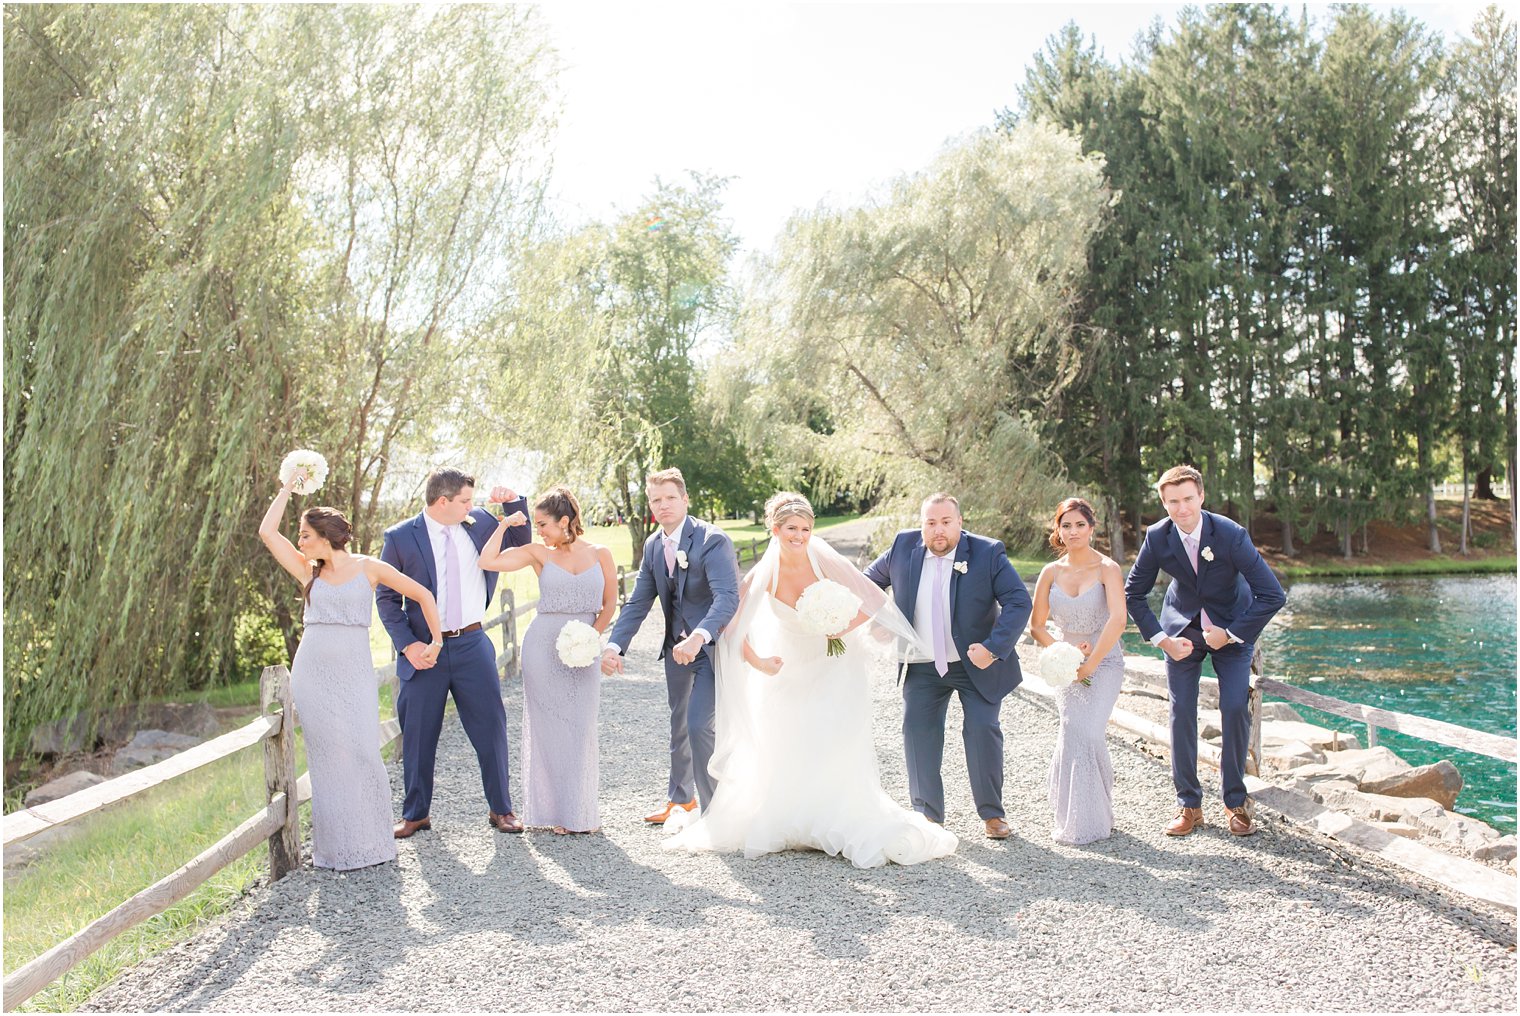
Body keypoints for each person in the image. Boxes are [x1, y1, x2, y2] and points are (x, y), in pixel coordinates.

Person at [664, 492, 957, 868]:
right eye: (791, 528)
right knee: (788, 739)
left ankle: (834, 816)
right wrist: (758, 662)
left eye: (805, 528)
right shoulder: (763, 572)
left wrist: (838, 627)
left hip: (834, 667)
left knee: (830, 737)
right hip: (786, 668)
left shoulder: (822, 558)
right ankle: (795, 819)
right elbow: (732, 626)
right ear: (775, 529)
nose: (799, 536)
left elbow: (873, 599)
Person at [258, 468, 443, 869]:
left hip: (354, 673)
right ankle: (334, 849)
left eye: (305, 535)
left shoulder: (369, 567)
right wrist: (288, 488)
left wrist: (436, 641)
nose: (301, 541)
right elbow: (268, 533)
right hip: (311, 674)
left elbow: (423, 594)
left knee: (361, 751)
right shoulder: (309, 571)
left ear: (325, 536)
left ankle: (373, 844)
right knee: (326, 758)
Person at [1123, 465, 1285, 837]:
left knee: (1232, 706)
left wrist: (1229, 634)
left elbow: (1273, 595)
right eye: (1172, 502)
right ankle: (1189, 804)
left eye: (1188, 499)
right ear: (1163, 503)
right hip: (1181, 628)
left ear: (1201, 496)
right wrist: (1162, 639)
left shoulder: (1230, 535)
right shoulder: (1158, 537)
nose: (1181, 509)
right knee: (1181, 710)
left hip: (1232, 625)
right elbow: (1134, 593)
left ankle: (1234, 802)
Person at [863, 494, 1033, 839]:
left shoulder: (987, 552)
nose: (938, 530)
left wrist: (993, 648)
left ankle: (992, 815)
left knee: (982, 730)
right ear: (921, 523)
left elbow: (1018, 601)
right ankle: (927, 816)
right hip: (923, 663)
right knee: (917, 731)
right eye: (930, 523)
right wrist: (881, 619)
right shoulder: (901, 546)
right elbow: (867, 583)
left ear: (959, 522)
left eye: (945, 522)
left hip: (976, 663)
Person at [376, 469, 532, 837]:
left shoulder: (478, 522)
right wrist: (409, 645)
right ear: (442, 501)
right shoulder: (400, 537)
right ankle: (415, 814)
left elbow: (521, 540)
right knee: (417, 734)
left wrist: (513, 501)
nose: (472, 506)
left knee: (490, 728)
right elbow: (386, 597)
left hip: (473, 645)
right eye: (464, 500)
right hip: (424, 650)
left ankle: (501, 810)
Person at [601, 468, 739, 821]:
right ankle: (681, 801)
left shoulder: (712, 540)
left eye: (670, 498)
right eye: (655, 500)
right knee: (678, 724)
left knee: (698, 724)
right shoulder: (652, 545)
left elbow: (727, 598)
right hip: (674, 650)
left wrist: (699, 636)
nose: (662, 506)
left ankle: (716, 813)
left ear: (685, 499)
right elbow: (637, 602)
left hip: (711, 647)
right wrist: (614, 646)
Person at [478, 486, 616, 834]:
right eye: (537, 525)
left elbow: (610, 603)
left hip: (582, 647)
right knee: (549, 728)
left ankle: (579, 812)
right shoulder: (539, 554)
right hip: (542, 648)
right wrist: (503, 525)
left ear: (565, 521)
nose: (539, 531)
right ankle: (555, 813)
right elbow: (487, 561)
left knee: (580, 727)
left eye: (543, 524)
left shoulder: (601, 553)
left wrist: (591, 637)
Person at [1028, 498, 1128, 845]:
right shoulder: (1050, 573)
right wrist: (1065, 654)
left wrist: (1091, 662)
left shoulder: (1108, 569)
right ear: (1057, 530)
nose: (1072, 531)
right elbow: (1037, 626)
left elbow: (1118, 620)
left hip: (1105, 662)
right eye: (1065, 525)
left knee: (1088, 730)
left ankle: (1094, 815)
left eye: (1079, 525)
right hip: (1067, 667)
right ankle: (1077, 816)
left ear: (1091, 528)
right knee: (1074, 731)